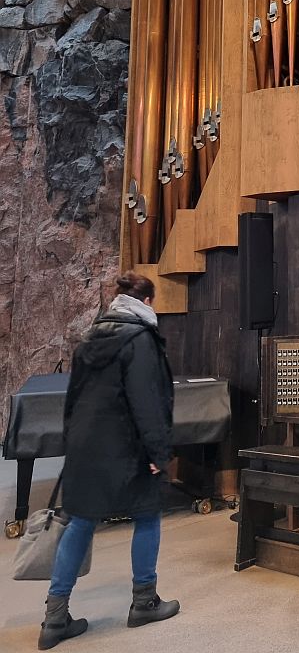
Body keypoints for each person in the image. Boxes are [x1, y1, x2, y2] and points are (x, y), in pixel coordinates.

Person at [38, 272, 179, 650]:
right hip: (126, 446)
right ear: (147, 302)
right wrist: (157, 452)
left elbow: (72, 399)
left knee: (80, 522)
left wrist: (72, 444)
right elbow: (147, 401)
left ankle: (54, 619)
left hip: (86, 445)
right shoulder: (141, 340)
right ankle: (145, 602)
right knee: (147, 515)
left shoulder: (90, 337)